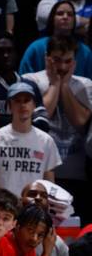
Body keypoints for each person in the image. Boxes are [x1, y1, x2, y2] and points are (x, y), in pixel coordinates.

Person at [22, 35, 92, 223]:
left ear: (74, 62)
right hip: (42, 171)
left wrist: (66, 85)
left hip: (75, 171)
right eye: (57, 60)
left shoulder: (86, 85)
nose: (62, 67)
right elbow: (40, 117)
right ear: (47, 58)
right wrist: (54, 84)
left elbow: (80, 121)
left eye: (67, 61)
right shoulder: (30, 80)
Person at [0, 82, 62, 197]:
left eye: (26, 100)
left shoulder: (46, 141)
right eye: (17, 101)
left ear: (34, 105)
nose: (23, 105)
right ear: (9, 106)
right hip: (4, 210)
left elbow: (50, 185)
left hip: (32, 210)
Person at [0, 32, 48, 133]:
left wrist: (4, 120)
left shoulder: (30, 85)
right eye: (0, 51)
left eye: (10, 50)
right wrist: (25, 121)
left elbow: (43, 123)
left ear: (16, 53)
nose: (6, 55)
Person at [19, 0, 92, 77]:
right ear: (52, 18)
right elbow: (24, 80)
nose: (65, 17)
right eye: (60, 13)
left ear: (74, 20)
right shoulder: (36, 48)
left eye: (70, 14)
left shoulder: (85, 52)